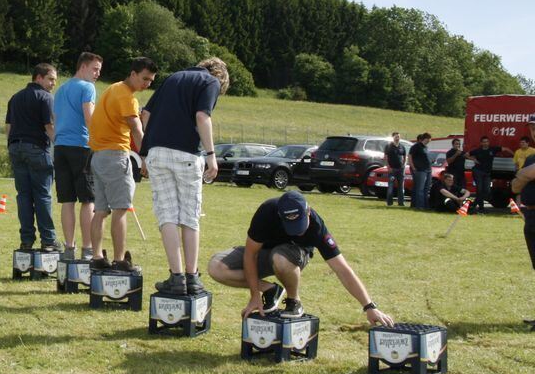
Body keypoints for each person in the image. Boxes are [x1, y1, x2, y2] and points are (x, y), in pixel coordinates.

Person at [208, 191, 395, 325]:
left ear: (308, 211)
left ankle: (293, 301)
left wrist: (369, 306)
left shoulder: (316, 226)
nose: (299, 231)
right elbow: (250, 254)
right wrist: (255, 295)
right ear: (280, 217)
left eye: (300, 224)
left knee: (280, 258)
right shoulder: (267, 212)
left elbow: (342, 269)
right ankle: (271, 290)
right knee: (216, 267)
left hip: (291, 257)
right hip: (265, 254)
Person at [141, 58, 229, 296]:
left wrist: (145, 152)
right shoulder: (210, 81)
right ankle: (192, 277)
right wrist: (212, 155)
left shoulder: (172, 78)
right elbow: (202, 117)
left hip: (157, 153)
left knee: (167, 215)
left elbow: (146, 115)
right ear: (219, 75)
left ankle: (176, 276)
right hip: (187, 154)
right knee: (189, 216)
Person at [87, 57, 158, 272]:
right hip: (116, 157)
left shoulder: (112, 88)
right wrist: (146, 158)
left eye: (151, 81)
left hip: (97, 157)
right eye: (144, 78)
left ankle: (97, 256)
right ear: (133, 74)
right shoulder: (128, 97)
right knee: (120, 210)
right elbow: (137, 130)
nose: (147, 84)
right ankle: (119, 260)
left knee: (100, 210)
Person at [5, 63, 61, 251]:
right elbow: (49, 127)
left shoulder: (15, 97)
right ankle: (48, 240)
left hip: (15, 147)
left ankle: (26, 240)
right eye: (51, 79)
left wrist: (13, 147)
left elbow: (8, 128)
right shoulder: (46, 98)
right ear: (38, 77)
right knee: (43, 195)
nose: (53, 83)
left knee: (24, 196)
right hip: (37, 148)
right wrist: (59, 148)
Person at [52, 52, 102, 260]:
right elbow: (89, 117)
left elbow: (55, 117)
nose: (97, 73)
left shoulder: (61, 89)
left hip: (60, 147)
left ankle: (69, 248)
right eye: (95, 69)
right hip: (81, 147)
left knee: (67, 200)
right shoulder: (87, 87)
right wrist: (98, 141)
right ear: (83, 66)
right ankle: (88, 249)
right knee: (88, 199)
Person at [509, 114, 535, 327]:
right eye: (532, 128)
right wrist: (525, 175)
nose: (534, 131)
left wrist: (524, 176)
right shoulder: (531, 157)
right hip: (531, 214)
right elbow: (516, 185)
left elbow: (524, 177)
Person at [467, 136, 504, 213]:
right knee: (479, 189)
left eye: (487, 141)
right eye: (484, 142)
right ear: (481, 143)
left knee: (487, 190)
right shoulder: (477, 150)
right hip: (478, 171)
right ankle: (481, 208)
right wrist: (473, 159)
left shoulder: (493, 149)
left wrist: (514, 154)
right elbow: (466, 154)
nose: (485, 143)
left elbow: (505, 148)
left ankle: (474, 203)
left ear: (489, 142)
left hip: (487, 173)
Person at [383, 131, 407, 207]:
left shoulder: (402, 147)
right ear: (393, 137)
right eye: (396, 137)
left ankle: (401, 203)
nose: (397, 138)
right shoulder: (388, 146)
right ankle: (389, 203)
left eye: (399, 137)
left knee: (401, 187)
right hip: (392, 169)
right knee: (390, 187)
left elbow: (405, 157)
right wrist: (388, 167)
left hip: (400, 170)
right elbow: (386, 157)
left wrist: (403, 165)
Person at [408, 133, 432, 210]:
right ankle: (420, 206)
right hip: (420, 170)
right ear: (425, 138)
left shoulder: (426, 147)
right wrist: (413, 167)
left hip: (428, 170)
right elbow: (410, 157)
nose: (429, 140)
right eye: (429, 138)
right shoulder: (416, 147)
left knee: (426, 188)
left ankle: (426, 205)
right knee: (420, 189)